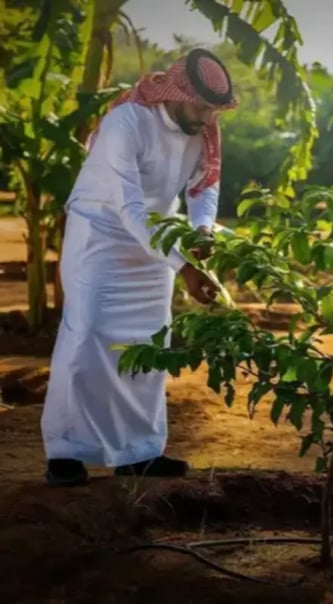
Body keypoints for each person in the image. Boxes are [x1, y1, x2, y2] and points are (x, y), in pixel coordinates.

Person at [41, 48, 237, 487]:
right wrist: (183, 266)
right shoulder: (125, 123)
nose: (208, 119)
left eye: (214, 110)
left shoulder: (198, 129)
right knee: (86, 336)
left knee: (150, 343)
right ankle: (66, 452)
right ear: (177, 93)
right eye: (203, 107)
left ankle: (140, 451)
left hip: (156, 242)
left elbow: (205, 184)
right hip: (102, 237)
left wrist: (202, 230)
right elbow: (127, 207)